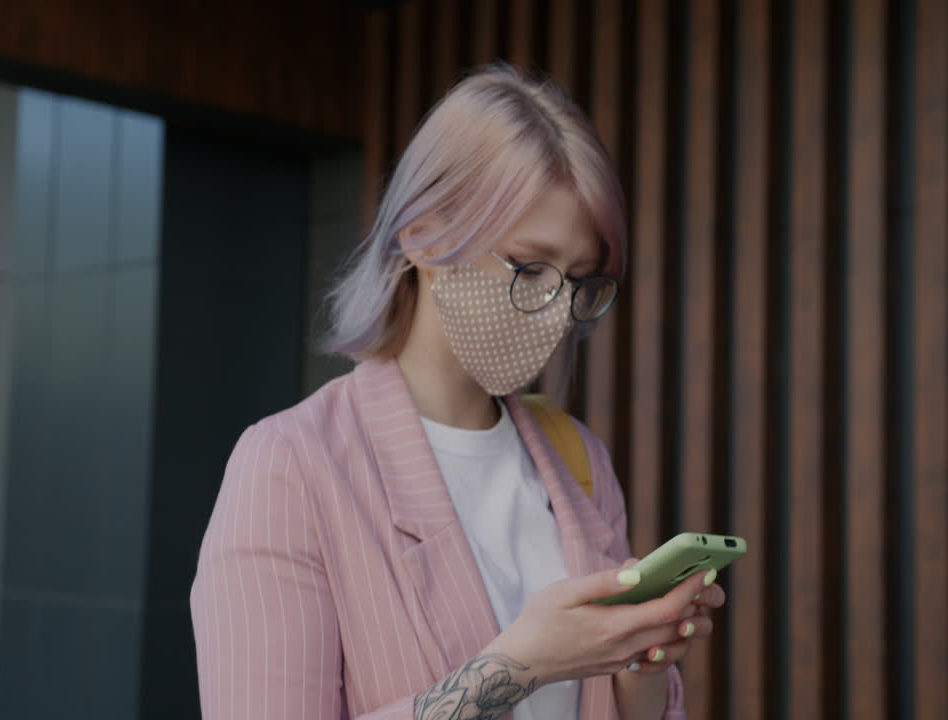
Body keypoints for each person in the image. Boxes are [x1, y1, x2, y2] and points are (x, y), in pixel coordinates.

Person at [189, 64, 725, 720]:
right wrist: (521, 666)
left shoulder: (578, 463)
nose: (557, 312)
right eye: (530, 268)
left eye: (579, 280)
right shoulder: (291, 465)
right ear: (421, 235)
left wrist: (641, 660)